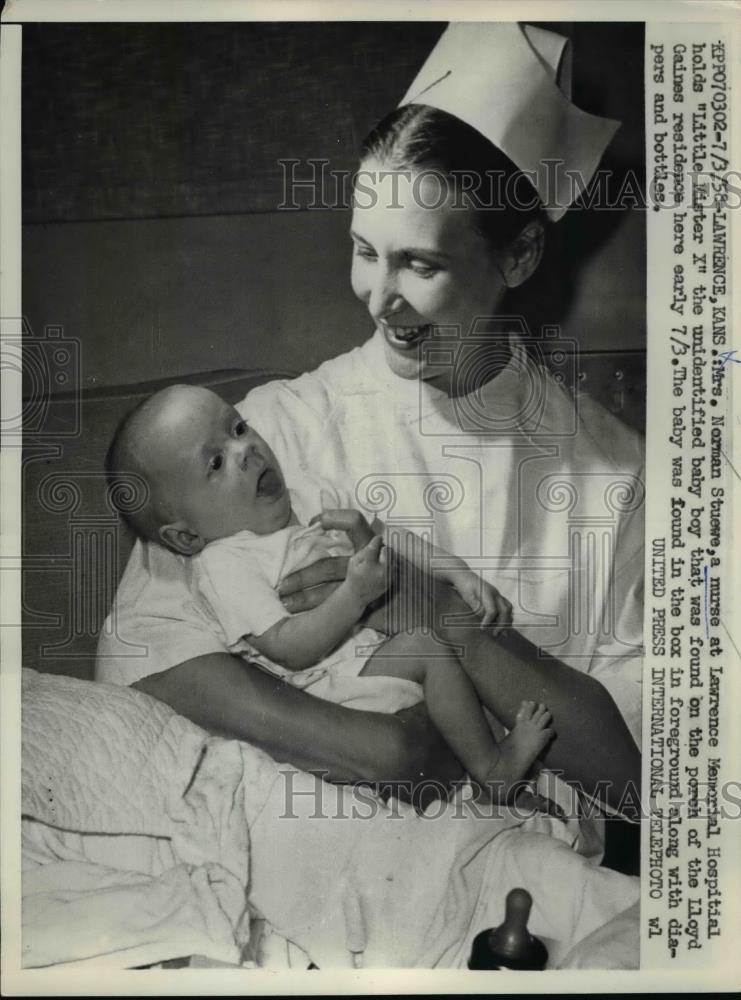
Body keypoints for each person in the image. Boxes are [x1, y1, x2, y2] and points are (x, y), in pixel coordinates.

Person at [97, 23, 643, 819]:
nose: (377, 297)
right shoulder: (266, 429)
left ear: (519, 257)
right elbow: (140, 653)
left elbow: (646, 780)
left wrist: (431, 613)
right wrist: (383, 749)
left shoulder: (619, 478)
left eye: (418, 263)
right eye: (363, 249)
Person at [106, 382, 557, 803]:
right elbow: (287, 647)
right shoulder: (227, 565)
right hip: (330, 686)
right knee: (431, 649)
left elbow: (387, 535)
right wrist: (354, 595)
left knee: (455, 659)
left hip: (372, 656)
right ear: (184, 538)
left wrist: (456, 570)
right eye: (216, 463)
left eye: (239, 428)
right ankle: (493, 770)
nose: (245, 449)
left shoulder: (307, 495)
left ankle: (490, 775)